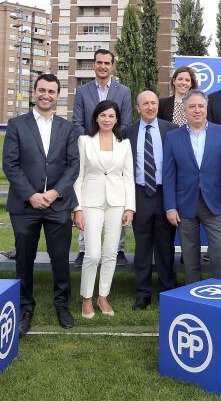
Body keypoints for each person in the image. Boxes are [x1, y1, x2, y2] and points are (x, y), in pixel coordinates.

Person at [2, 73, 80, 335]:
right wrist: (31, 195)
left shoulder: (67, 128)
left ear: (58, 96)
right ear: (34, 92)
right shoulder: (16, 125)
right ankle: (25, 306)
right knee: (25, 259)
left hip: (57, 205)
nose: (46, 95)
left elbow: (73, 165)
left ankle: (62, 304)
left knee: (60, 259)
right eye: (42, 90)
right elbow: (10, 165)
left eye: (51, 91)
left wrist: (55, 192)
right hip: (25, 207)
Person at [164, 89, 221, 284]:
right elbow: (168, 175)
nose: (197, 110)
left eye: (201, 106)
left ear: (206, 108)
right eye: (192, 106)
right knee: (189, 253)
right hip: (185, 203)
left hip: (215, 202)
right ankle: (193, 294)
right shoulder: (173, 137)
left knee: (220, 250)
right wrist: (170, 206)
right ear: (185, 110)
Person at [73, 100, 135, 319]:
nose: (107, 120)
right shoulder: (84, 141)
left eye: (111, 116)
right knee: (92, 253)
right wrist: (77, 208)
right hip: (90, 201)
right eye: (103, 115)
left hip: (117, 202)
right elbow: (78, 176)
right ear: (96, 117)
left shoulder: (124, 143)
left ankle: (103, 296)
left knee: (110, 253)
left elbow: (128, 176)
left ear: (117, 118)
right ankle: (87, 299)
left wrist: (130, 207)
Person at [72, 48, 134, 268]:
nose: (103, 66)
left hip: (114, 146)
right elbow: (77, 121)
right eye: (99, 62)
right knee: (89, 196)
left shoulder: (124, 91)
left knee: (117, 196)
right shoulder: (82, 91)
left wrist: (114, 139)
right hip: (90, 148)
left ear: (112, 66)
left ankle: (118, 250)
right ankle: (84, 249)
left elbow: (126, 122)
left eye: (107, 63)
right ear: (94, 65)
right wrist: (89, 142)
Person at [126, 91, 179, 310]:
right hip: (140, 193)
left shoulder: (172, 130)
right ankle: (143, 293)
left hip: (165, 193)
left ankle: (167, 291)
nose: (150, 107)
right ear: (137, 108)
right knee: (143, 247)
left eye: (153, 103)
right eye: (145, 103)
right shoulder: (127, 133)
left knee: (165, 247)